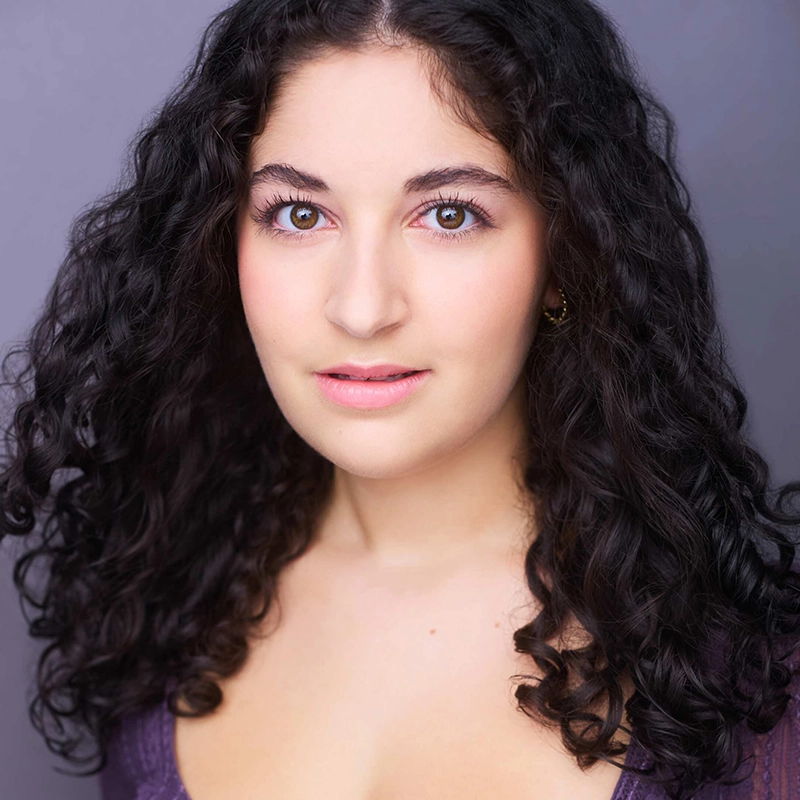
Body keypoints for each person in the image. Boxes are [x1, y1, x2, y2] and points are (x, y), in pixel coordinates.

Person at [2, 0, 799, 798]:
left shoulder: (747, 691)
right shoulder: (156, 610)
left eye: (448, 215)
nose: (361, 306)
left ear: (566, 249)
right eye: (300, 213)